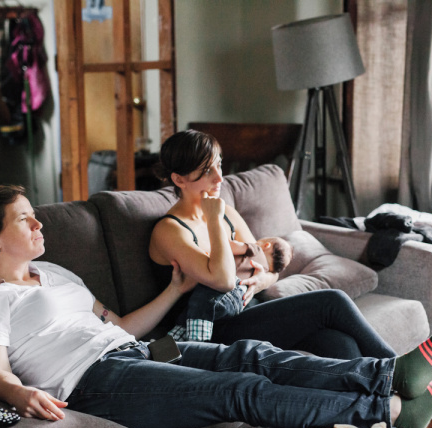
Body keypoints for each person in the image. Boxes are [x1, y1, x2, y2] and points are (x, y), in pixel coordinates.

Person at [0, 185, 432, 428]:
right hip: (94, 381)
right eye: (24, 221)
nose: (39, 225)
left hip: (133, 349)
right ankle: (392, 410)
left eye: (35, 217)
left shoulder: (60, 275)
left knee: (255, 355)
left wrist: (175, 291)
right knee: (241, 391)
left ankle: (389, 373)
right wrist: (21, 393)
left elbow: (117, 325)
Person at [149, 129, 394, 359]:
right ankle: (395, 367)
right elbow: (222, 280)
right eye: (206, 171)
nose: (219, 178)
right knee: (332, 301)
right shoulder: (170, 230)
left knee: (337, 343)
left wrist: (259, 283)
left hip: (251, 309)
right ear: (179, 179)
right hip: (211, 329)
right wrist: (213, 219)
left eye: (219, 164)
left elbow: (269, 269)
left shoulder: (228, 214)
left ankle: (381, 397)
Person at [169, 236, 293, 342]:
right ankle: (172, 342)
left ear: (266, 245)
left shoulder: (256, 249)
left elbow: (227, 247)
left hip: (227, 289)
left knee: (201, 301)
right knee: (194, 313)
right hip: (239, 303)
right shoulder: (264, 270)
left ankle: (196, 344)